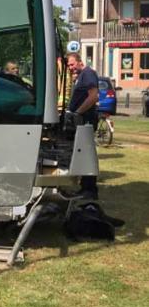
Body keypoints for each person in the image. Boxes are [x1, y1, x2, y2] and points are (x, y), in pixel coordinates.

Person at [66, 52, 100, 200]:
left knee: (86, 154)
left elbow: (93, 96)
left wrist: (77, 112)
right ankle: (84, 187)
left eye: (72, 64)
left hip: (85, 120)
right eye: (68, 65)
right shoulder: (80, 76)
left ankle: (89, 189)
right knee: (81, 153)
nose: (70, 67)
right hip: (80, 119)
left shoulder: (88, 74)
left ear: (80, 62)